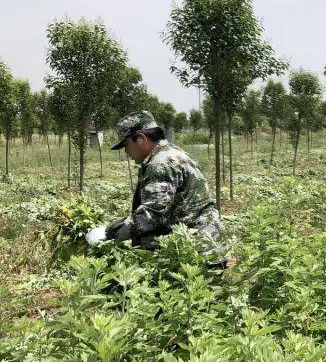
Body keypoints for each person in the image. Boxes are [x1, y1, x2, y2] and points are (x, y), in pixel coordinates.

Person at [85, 111, 226, 262]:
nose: (126, 151)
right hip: (205, 244)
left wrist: (109, 233)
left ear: (141, 138)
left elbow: (152, 215)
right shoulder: (173, 152)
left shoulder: (160, 163)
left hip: (196, 252)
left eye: (126, 145)